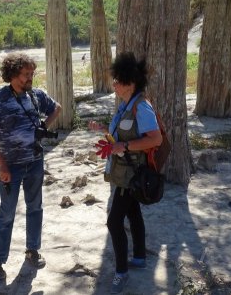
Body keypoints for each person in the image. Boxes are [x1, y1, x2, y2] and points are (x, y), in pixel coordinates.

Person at [0, 53, 62, 280]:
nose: (30, 78)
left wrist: (43, 126)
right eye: (26, 74)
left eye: (32, 74)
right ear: (12, 74)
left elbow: (57, 108)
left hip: (35, 162)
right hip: (11, 167)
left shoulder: (36, 95)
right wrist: (2, 166)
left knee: (35, 207)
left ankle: (33, 250)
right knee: (6, 214)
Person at [89, 52, 162, 294]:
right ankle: (139, 257)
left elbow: (155, 139)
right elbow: (122, 136)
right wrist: (104, 130)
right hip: (123, 172)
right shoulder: (125, 106)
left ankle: (121, 273)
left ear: (130, 83)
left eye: (118, 81)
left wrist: (125, 146)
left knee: (113, 221)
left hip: (132, 175)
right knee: (133, 212)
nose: (114, 85)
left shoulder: (142, 107)